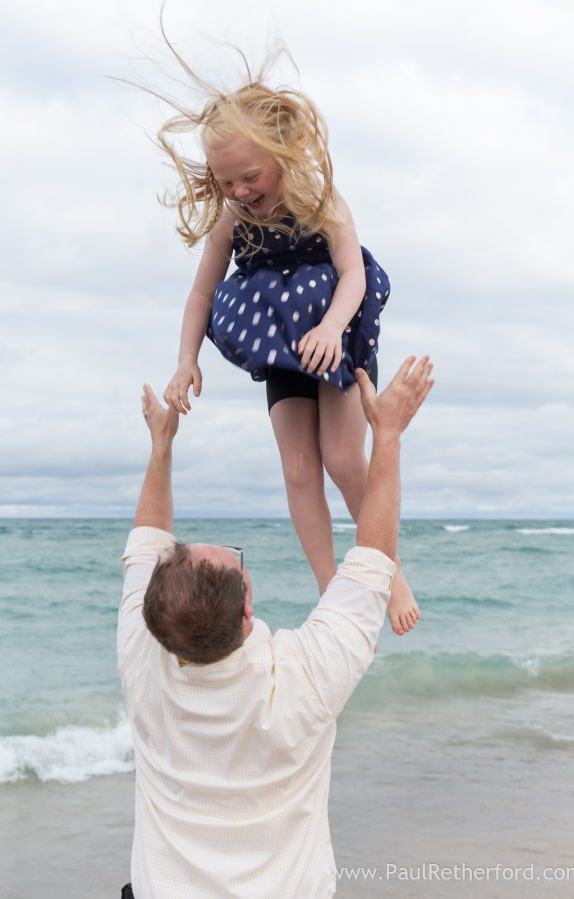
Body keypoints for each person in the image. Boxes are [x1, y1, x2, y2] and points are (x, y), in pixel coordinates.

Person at [118, 355, 433, 899]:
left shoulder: (144, 658)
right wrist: (388, 435)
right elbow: (374, 560)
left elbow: (147, 537)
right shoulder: (301, 679)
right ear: (248, 609)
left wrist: (161, 445)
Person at [159, 70, 419, 636]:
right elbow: (201, 292)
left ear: (282, 152)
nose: (240, 193)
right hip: (280, 346)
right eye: (226, 183)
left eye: (249, 177)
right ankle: (333, 594)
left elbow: (352, 273)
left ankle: (390, 574)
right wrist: (186, 359)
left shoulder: (320, 197)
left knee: (344, 460)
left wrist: (330, 328)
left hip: (335, 335)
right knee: (299, 470)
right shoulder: (233, 219)